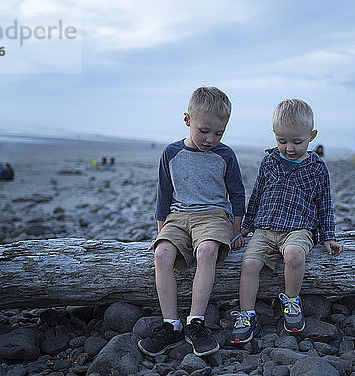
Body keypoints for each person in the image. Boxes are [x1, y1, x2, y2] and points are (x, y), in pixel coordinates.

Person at [138, 87, 245, 357]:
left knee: (207, 250)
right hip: (178, 216)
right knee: (162, 254)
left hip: (213, 216)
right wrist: (163, 233)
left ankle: (195, 323)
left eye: (218, 133)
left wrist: (235, 231)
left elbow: (237, 193)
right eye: (204, 130)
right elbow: (164, 195)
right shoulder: (171, 153)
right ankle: (171, 325)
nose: (210, 139)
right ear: (187, 120)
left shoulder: (226, 155)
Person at [230, 99, 344, 344]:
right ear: (274, 135)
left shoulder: (317, 168)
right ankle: (247, 314)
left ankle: (291, 301)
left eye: (297, 141)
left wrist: (328, 236)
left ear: (311, 136)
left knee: (293, 254)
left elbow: (325, 204)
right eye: (282, 141)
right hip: (265, 229)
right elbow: (257, 195)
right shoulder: (269, 162)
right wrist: (245, 228)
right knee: (249, 264)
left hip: (298, 228)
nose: (289, 147)